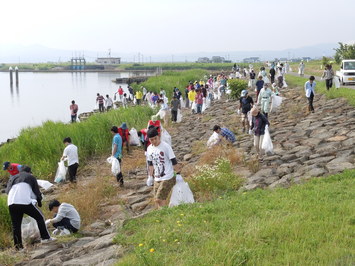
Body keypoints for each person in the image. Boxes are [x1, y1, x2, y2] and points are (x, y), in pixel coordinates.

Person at [6, 166, 54, 249]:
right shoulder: (30, 177)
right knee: (40, 217)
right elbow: (36, 192)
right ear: (29, 172)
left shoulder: (13, 177)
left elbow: (7, 191)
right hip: (23, 201)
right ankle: (45, 238)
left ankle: (18, 247)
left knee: (16, 226)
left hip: (11, 203)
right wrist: (39, 202)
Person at [146, 127, 180, 208]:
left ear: (159, 136)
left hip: (168, 177)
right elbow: (150, 164)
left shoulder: (166, 146)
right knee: (157, 200)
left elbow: (173, 161)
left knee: (159, 198)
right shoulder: (149, 149)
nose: (154, 141)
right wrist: (150, 176)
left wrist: (178, 174)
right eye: (151, 140)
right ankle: (163, 214)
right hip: (157, 178)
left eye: (155, 139)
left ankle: (164, 213)